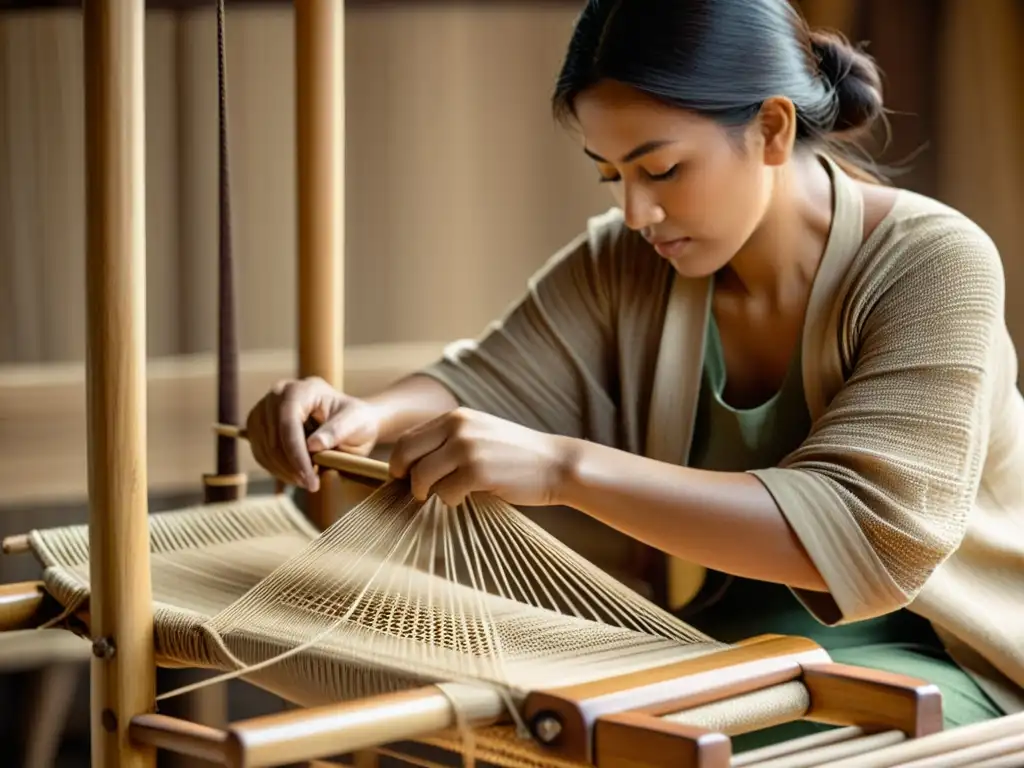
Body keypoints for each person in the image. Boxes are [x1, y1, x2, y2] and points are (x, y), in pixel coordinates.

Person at [246, 0, 1024, 749]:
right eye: (610, 175)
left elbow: (866, 534)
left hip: (953, 659)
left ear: (772, 127)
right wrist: (357, 418)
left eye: (662, 169)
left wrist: (561, 468)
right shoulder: (629, 262)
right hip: (729, 648)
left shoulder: (935, 265)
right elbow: (487, 380)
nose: (636, 212)